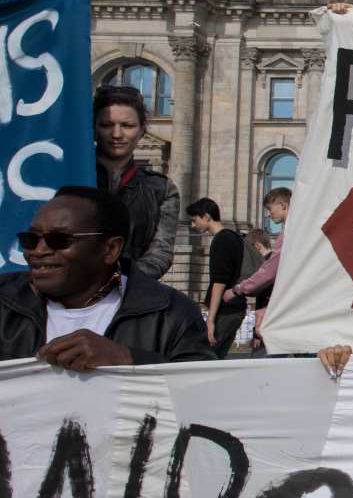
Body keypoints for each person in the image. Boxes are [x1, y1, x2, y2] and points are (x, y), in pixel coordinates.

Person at [0, 186, 211, 366]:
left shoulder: (172, 314)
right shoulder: (4, 301)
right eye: (30, 239)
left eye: (59, 240)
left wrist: (128, 360)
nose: (38, 250)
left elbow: (201, 395)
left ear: (110, 249)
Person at [93, 85, 180, 278]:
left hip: (129, 293)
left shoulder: (162, 189)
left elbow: (160, 253)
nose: (116, 134)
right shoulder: (72, 178)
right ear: (94, 128)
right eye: (107, 125)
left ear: (141, 130)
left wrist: (120, 281)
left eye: (127, 125)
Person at [186, 198, 248, 359]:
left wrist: (211, 320)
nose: (193, 225)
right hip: (235, 308)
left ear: (206, 216)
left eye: (194, 220)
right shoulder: (234, 237)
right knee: (216, 357)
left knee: (207, 357)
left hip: (226, 310)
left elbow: (219, 282)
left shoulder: (221, 240)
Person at [223, 188, 291, 333]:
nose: (268, 214)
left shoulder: (290, 232)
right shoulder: (303, 226)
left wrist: (238, 289)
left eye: (269, 208)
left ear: (283, 205)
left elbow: (269, 272)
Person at [242, 228, 274, 355]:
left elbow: (263, 300)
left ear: (257, 247)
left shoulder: (265, 266)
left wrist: (257, 333)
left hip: (267, 326)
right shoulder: (277, 261)